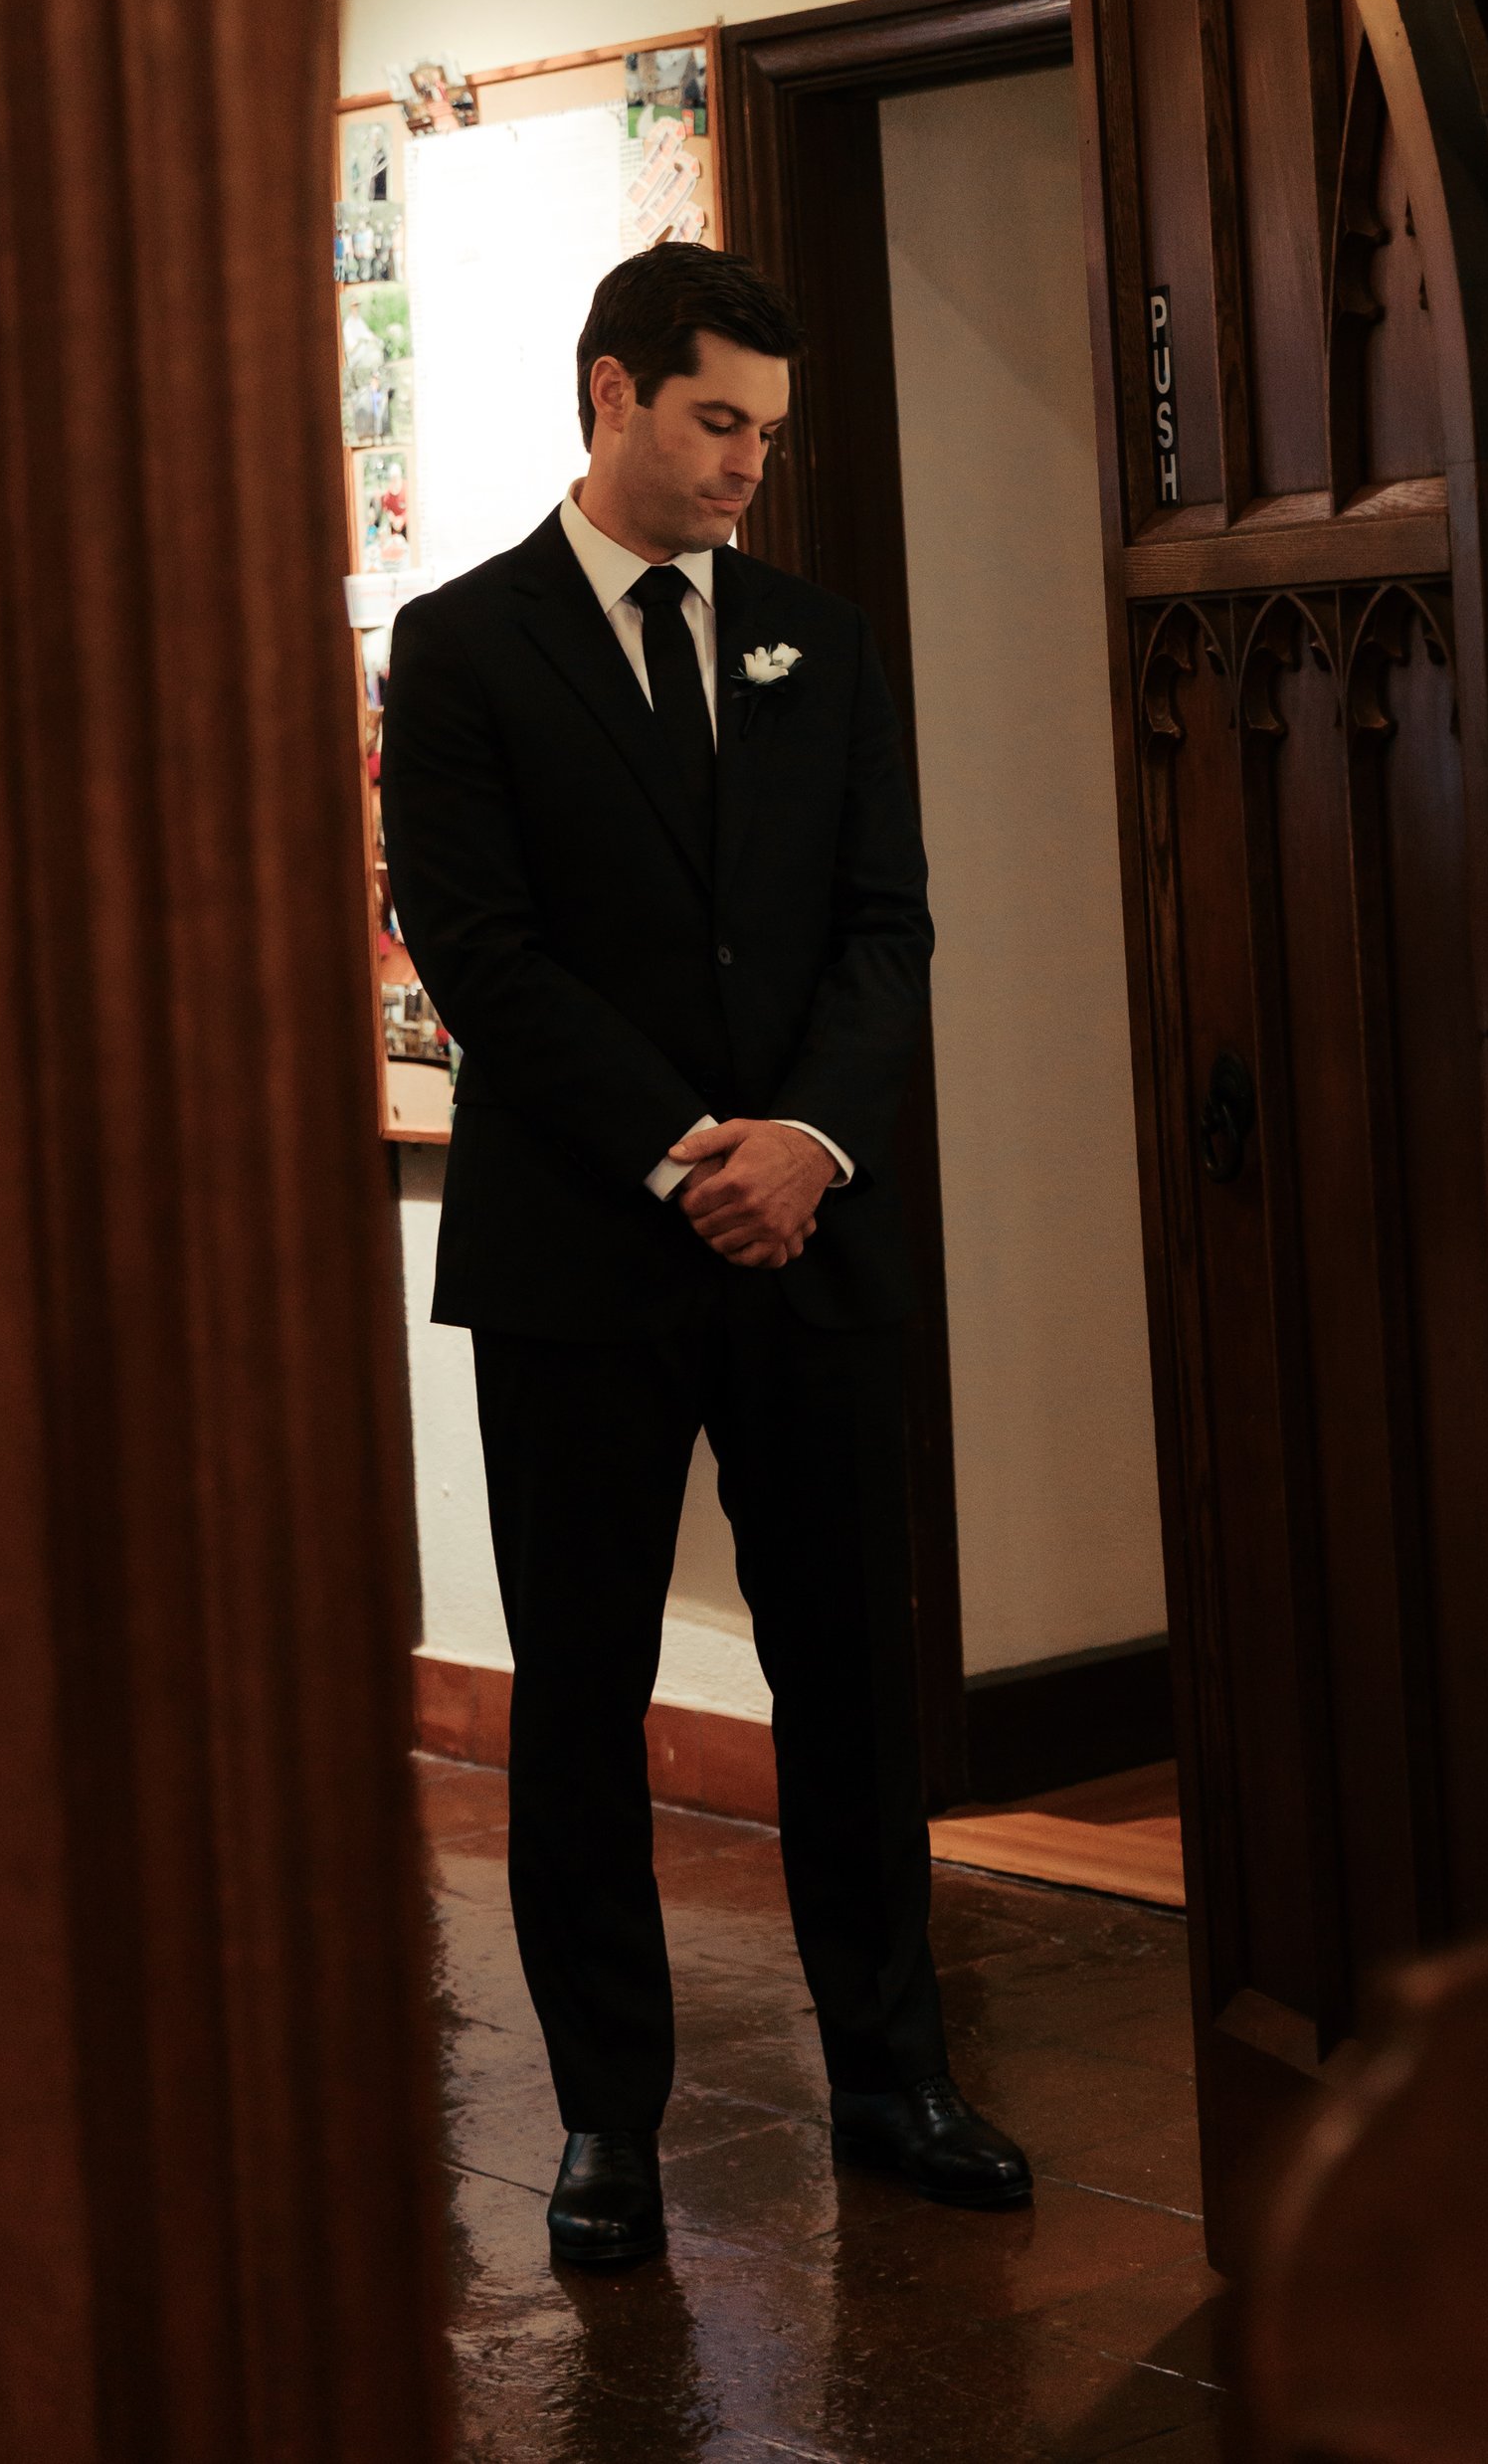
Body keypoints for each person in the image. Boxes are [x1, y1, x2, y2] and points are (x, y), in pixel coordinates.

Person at [381, 243, 1031, 2269]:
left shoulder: (818, 645)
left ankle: (890, 2072)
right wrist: (685, 1158)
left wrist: (807, 1144)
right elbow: (480, 952)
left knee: (849, 1674)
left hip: (810, 1238)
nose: (750, 463)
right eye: (716, 420)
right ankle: (604, 2121)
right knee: (577, 1694)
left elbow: (880, 929)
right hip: (586, 1246)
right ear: (611, 396)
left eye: (768, 428)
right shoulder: (465, 644)